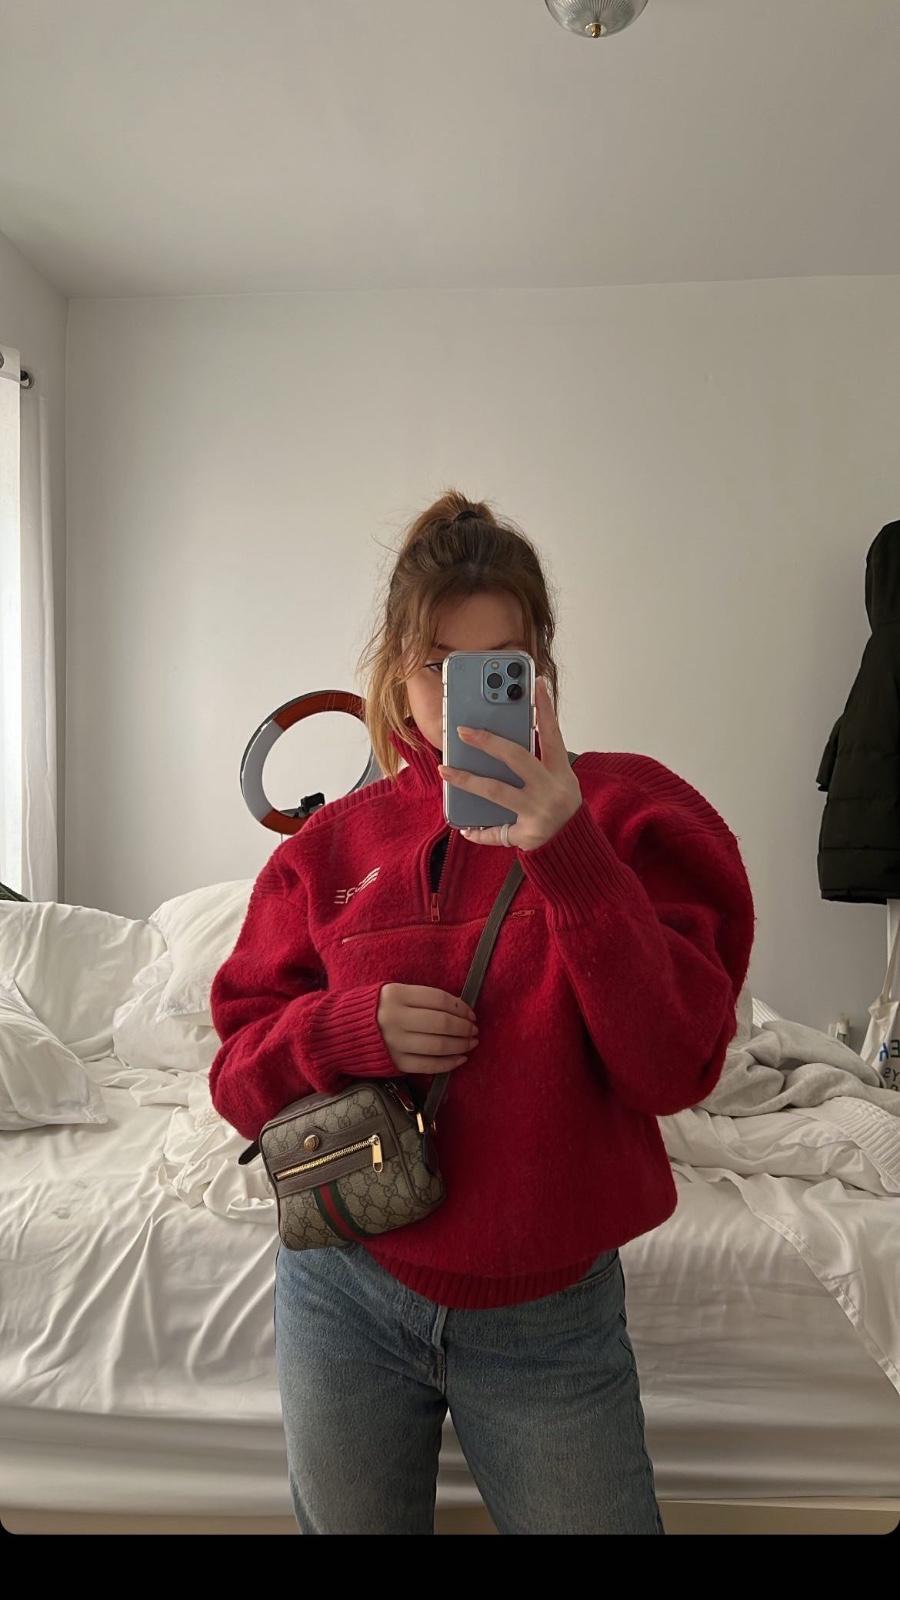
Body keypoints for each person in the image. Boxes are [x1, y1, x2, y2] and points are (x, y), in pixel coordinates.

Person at [209, 489, 756, 1535]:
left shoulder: (640, 816)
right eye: (442, 669)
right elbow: (237, 1079)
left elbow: (675, 1067)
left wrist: (567, 850)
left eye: (502, 665)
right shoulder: (326, 851)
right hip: (343, 1287)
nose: (470, 699)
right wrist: (346, 1029)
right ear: (398, 678)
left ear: (541, 668)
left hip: (551, 1315)